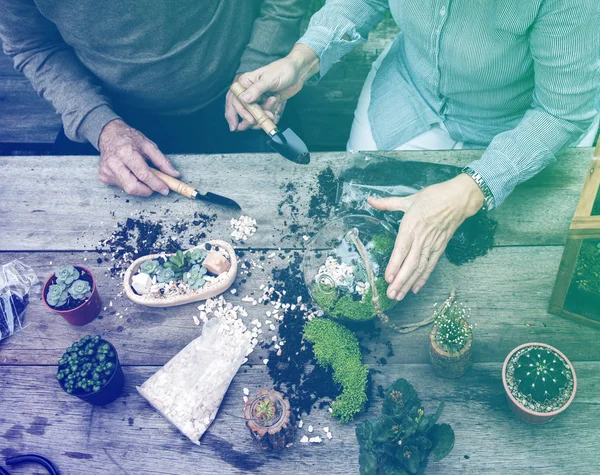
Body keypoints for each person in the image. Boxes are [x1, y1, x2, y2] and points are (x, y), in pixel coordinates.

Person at [233, 0, 600, 301]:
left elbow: (562, 112)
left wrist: (473, 187)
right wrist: (302, 61)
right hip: (407, 94)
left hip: (513, 122)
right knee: (360, 207)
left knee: (486, 270)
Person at [0, 0, 306, 196]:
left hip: (239, 94)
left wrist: (257, 63)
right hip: (114, 118)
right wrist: (99, 124)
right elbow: (32, 44)